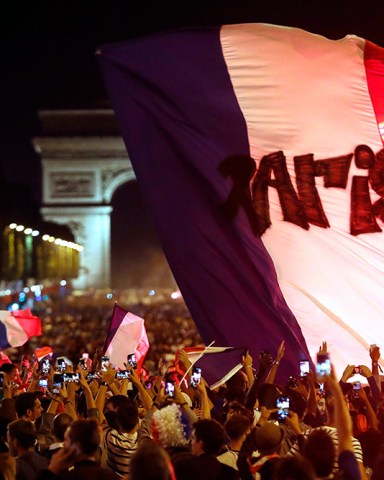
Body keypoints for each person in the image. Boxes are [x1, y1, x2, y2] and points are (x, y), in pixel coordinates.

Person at [38, 419, 119, 479]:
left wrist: (51, 471)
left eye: (66, 440)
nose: (63, 444)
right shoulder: (111, 477)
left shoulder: (68, 477)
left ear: (77, 447)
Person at [173, 418, 240, 480]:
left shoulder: (184, 468)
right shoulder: (230, 473)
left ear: (200, 443)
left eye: (193, 438)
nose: (191, 442)